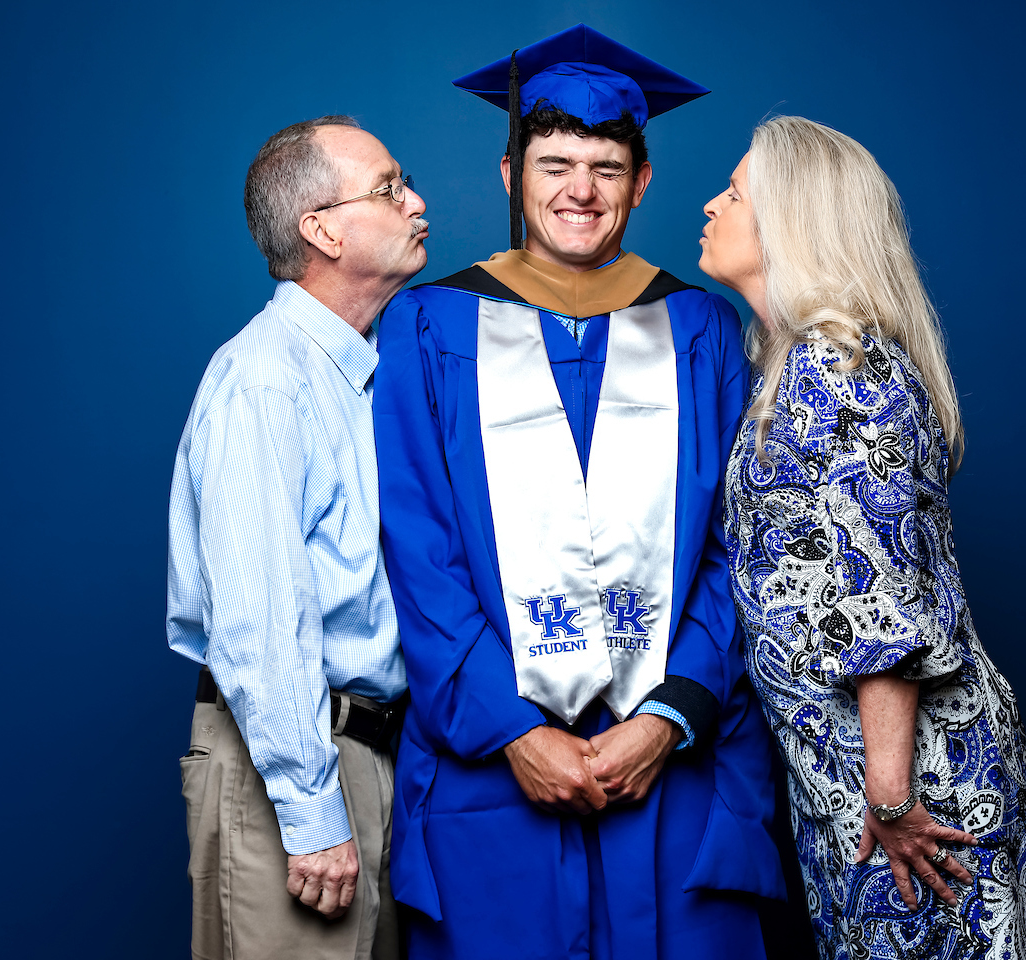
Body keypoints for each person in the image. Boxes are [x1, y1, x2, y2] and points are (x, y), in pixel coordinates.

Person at [374, 24, 785, 960]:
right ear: (511, 171)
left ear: (640, 182)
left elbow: (742, 545)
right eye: (554, 162)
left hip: (673, 763)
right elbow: (419, 550)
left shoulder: (701, 328)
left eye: (605, 166)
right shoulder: (432, 325)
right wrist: (512, 729)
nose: (580, 191)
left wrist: (671, 712)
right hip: (494, 761)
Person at [700, 115, 1026, 960]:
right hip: (860, 782)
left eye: (736, 193)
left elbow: (881, 608)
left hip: (914, 794)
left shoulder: (840, 374)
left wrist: (892, 802)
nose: (713, 206)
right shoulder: (793, 365)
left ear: (791, 223)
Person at [166, 115, 429, 960]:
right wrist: (312, 813)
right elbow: (260, 618)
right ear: (322, 229)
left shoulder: (365, 368)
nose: (417, 202)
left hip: (377, 756)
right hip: (293, 764)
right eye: (389, 189)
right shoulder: (265, 383)